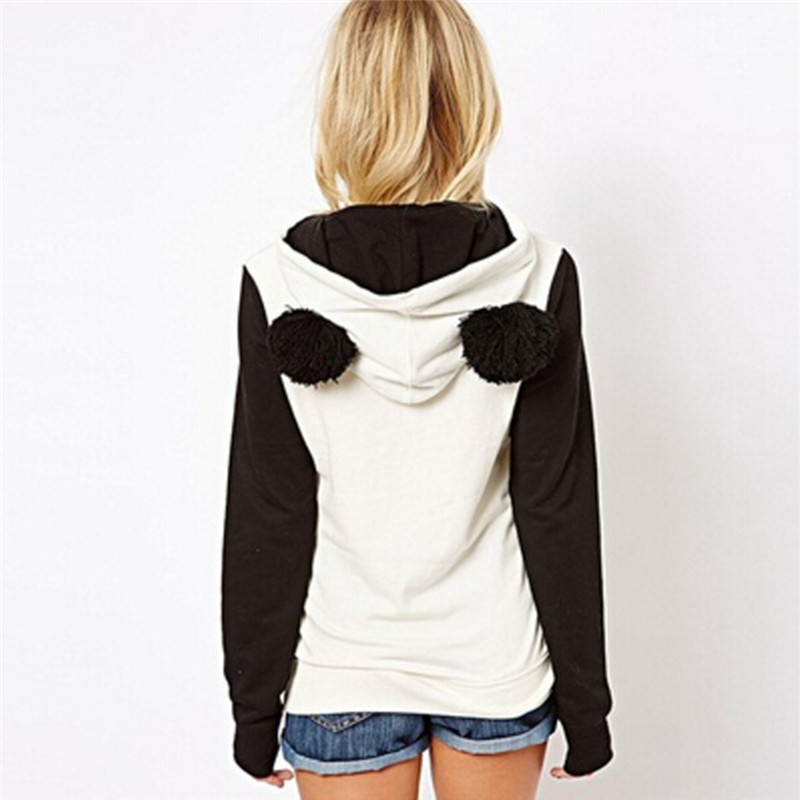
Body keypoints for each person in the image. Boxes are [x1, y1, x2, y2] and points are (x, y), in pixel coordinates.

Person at [220, 1, 614, 798]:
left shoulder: (280, 280)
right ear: (470, 100)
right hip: (495, 667)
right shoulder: (536, 274)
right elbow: (555, 503)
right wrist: (586, 704)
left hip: (344, 668)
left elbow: (271, 508)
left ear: (344, 101)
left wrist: (254, 709)